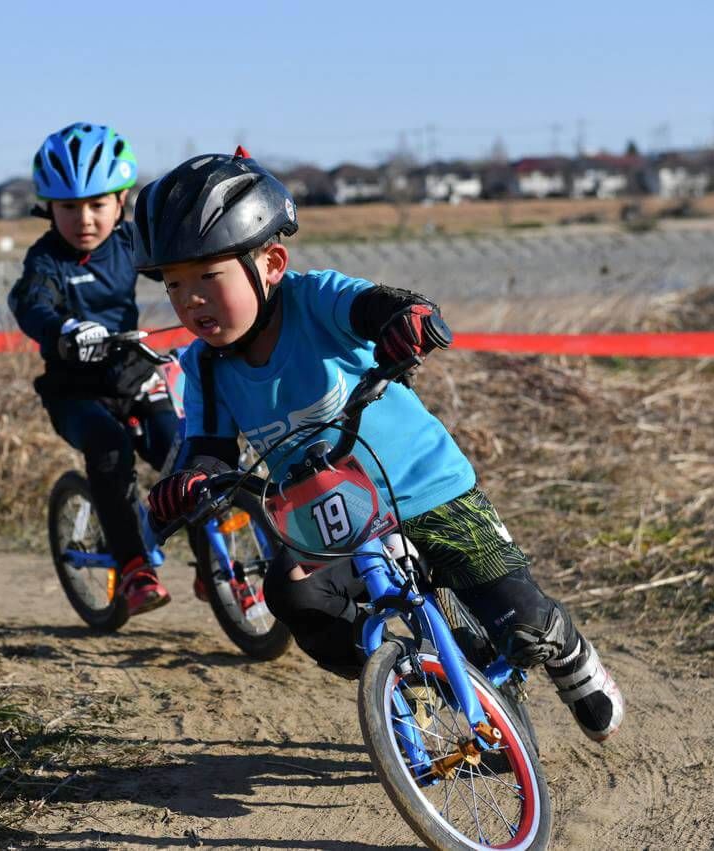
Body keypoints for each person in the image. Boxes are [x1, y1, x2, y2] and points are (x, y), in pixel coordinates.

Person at [135, 150, 624, 742]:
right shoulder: (205, 366)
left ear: (271, 263)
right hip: (328, 518)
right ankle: (405, 680)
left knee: (522, 623)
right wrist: (188, 482)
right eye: (174, 285)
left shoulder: (315, 299)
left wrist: (408, 317)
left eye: (209, 277)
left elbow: (375, 306)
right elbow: (208, 450)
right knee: (294, 597)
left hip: (423, 486)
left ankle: (567, 652)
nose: (190, 301)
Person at [8, 122, 177, 616]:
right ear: (49, 207)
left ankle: (215, 559)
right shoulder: (46, 260)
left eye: (97, 204)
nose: (84, 218)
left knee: (182, 455)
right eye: (69, 207)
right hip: (74, 391)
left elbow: (176, 265)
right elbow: (30, 304)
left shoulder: (128, 245)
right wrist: (62, 330)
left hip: (132, 376)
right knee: (109, 449)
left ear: (121, 200)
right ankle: (132, 569)